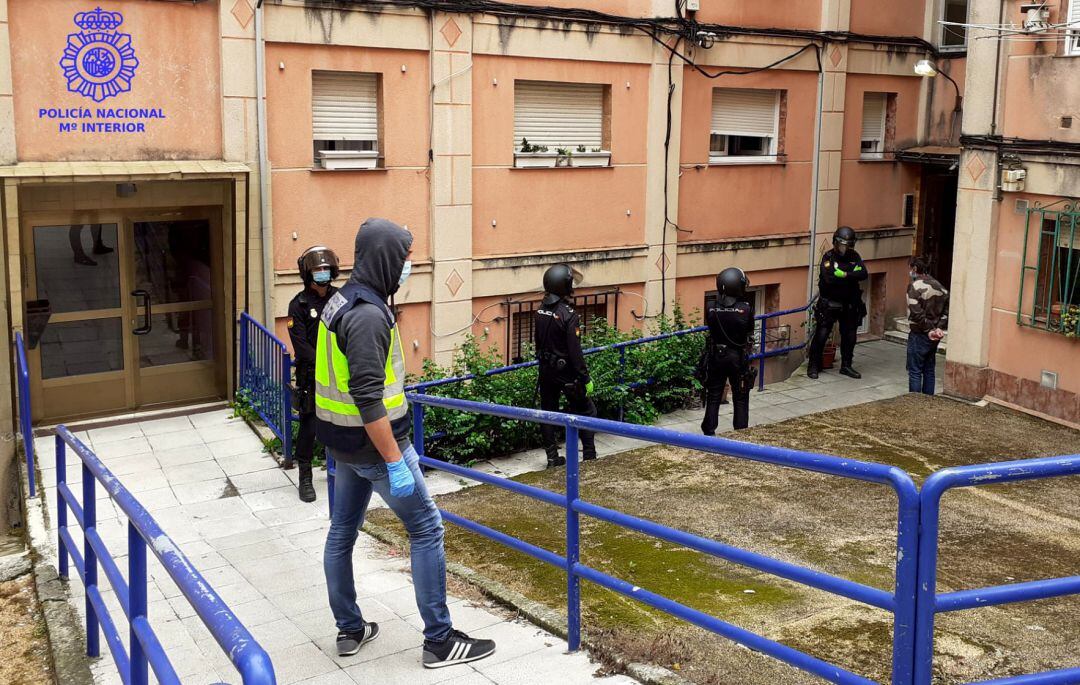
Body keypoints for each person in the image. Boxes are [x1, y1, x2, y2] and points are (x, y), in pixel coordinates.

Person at [315, 218, 496, 667]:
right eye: (405, 257)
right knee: (427, 530)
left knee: (341, 533)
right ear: (385, 258)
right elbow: (366, 395)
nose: (408, 267)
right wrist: (395, 461)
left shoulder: (340, 300)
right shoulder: (368, 315)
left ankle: (349, 629)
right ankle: (439, 639)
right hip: (378, 448)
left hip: (342, 445)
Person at [286, 245, 340, 502]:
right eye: (317, 269)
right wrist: (323, 363)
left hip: (340, 372)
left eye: (326, 268)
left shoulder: (341, 298)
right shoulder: (298, 305)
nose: (322, 272)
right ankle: (305, 476)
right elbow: (301, 345)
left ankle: (344, 470)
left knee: (342, 421)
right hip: (312, 374)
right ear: (308, 273)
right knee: (309, 425)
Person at [534, 263, 597, 468]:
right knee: (587, 411)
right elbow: (575, 352)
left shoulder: (540, 311)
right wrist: (585, 378)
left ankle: (552, 458)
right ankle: (589, 455)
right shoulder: (569, 314)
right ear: (564, 286)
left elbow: (538, 343)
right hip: (567, 373)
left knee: (548, 413)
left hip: (546, 370)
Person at [808, 226, 868, 380]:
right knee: (822, 334)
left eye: (848, 245)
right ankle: (814, 365)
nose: (844, 248)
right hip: (831, 303)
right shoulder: (828, 257)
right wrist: (850, 274)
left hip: (849, 303)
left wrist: (844, 274)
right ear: (836, 243)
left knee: (850, 336)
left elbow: (863, 273)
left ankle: (846, 365)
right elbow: (829, 278)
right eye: (842, 245)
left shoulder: (854, 256)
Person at [701, 268, 756, 434]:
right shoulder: (746, 309)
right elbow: (749, 331)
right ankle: (740, 432)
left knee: (714, 395)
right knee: (740, 396)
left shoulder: (711, 307)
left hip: (716, 356)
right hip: (736, 357)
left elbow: (711, 328)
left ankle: (708, 431)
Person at [906, 256, 948, 395]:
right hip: (934, 337)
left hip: (919, 334)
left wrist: (929, 330)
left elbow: (916, 313)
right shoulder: (940, 287)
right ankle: (928, 401)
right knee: (929, 369)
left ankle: (915, 403)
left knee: (915, 371)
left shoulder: (914, 287)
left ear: (915, 268)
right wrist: (938, 328)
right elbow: (946, 313)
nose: (909, 271)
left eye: (910, 268)